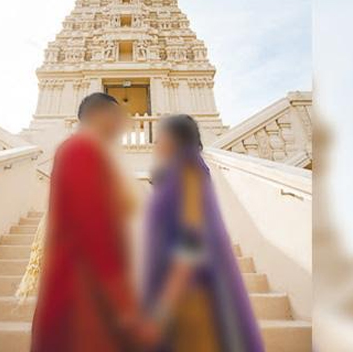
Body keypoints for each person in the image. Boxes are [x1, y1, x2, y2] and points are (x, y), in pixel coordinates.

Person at [31, 92, 155, 352]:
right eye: (116, 117)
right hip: (83, 289)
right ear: (98, 116)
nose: (123, 125)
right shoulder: (80, 150)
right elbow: (92, 226)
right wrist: (122, 298)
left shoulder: (89, 153)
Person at [143, 115, 264, 352]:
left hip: (191, 296)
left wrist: (167, 301)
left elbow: (191, 238)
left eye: (160, 137)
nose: (155, 143)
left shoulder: (188, 171)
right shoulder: (179, 172)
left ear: (176, 138)